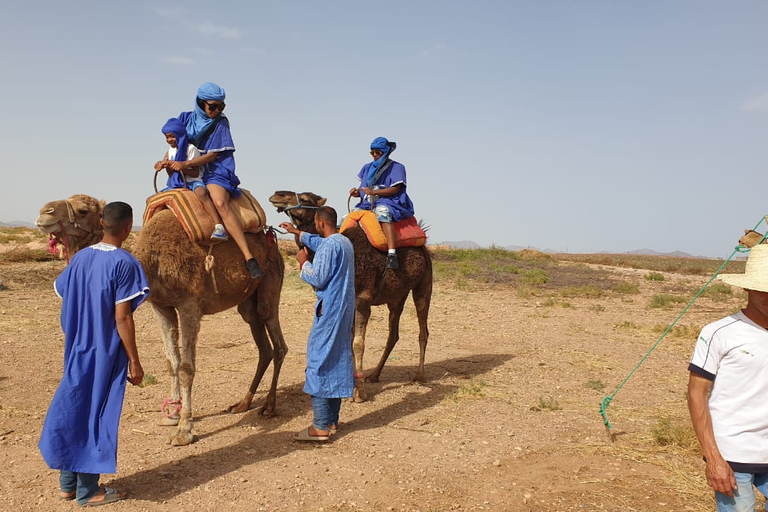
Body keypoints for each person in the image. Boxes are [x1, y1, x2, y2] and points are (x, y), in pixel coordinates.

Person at [39, 201, 149, 507]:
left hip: (76, 347)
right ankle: (89, 491)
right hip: (105, 351)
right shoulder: (125, 264)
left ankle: (68, 484)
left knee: (74, 406)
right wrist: (135, 361)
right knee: (98, 413)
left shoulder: (80, 258)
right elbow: (122, 318)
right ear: (128, 228)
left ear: (102, 223)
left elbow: (65, 292)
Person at [688, 243, 768, 511]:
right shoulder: (720, 332)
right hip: (732, 456)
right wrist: (713, 458)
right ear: (746, 287)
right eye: (762, 287)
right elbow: (696, 394)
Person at [171, 82, 264, 278]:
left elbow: (213, 155)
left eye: (220, 106)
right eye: (212, 106)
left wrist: (187, 165)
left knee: (220, 203)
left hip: (215, 169)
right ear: (200, 103)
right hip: (188, 166)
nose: (216, 110)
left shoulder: (220, 123)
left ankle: (248, 258)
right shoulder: (185, 119)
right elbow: (172, 137)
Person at [280, 206, 355, 441]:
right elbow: (320, 244)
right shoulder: (344, 242)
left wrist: (303, 263)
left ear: (320, 222)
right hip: (344, 311)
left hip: (329, 310)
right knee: (337, 358)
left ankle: (320, 426)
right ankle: (332, 421)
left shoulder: (330, 246)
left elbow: (318, 278)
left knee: (319, 360)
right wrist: (297, 233)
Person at [154, 117, 228, 241]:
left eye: (172, 136)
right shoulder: (170, 151)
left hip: (193, 181)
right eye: (167, 137)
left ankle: (218, 225)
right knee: (153, 200)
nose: (169, 140)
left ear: (179, 135)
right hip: (176, 183)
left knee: (201, 193)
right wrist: (164, 165)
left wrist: (180, 166)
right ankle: (151, 229)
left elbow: (194, 172)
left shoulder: (191, 149)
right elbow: (171, 175)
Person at [348, 136, 414, 270]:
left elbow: (395, 189)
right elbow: (363, 189)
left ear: (385, 152)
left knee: (383, 214)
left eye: (377, 152)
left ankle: (391, 254)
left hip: (388, 201)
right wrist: (356, 193)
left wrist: (373, 192)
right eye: (372, 152)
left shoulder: (397, 167)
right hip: (367, 204)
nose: (374, 155)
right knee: (347, 220)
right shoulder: (367, 168)